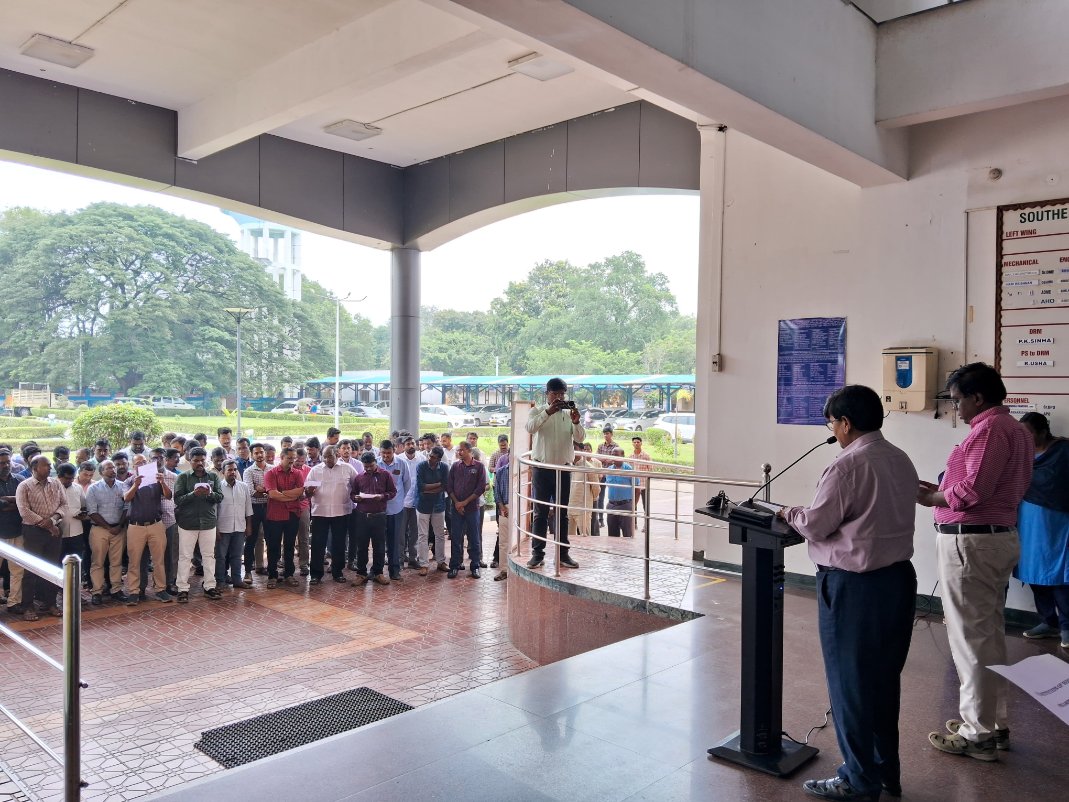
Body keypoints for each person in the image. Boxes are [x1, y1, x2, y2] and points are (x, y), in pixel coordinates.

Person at [779, 385, 918, 801]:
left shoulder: (847, 466)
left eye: (832, 423)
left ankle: (858, 782)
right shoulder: (900, 458)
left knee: (851, 686)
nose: (832, 430)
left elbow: (818, 525)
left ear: (845, 422)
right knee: (882, 683)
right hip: (897, 582)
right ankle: (884, 773)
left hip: (854, 589)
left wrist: (788, 512)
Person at [917, 363, 1032, 762]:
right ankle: (992, 723)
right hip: (994, 539)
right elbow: (985, 486)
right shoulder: (1015, 429)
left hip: (972, 545)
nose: (956, 409)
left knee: (971, 642)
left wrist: (932, 499)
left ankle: (977, 734)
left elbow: (974, 491)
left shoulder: (988, 430)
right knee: (988, 636)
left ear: (976, 398)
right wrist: (941, 489)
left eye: (956, 400)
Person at [1014, 412, 1069, 648]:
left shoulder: (1063, 452)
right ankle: (1048, 621)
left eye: (1029, 435)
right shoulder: (1020, 456)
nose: (1025, 440)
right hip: (1028, 524)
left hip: (1057, 524)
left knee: (1060, 576)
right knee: (1033, 572)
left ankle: (1067, 626)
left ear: (1042, 432)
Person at [525, 378, 586, 569]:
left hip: (563, 470)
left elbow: (580, 438)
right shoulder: (537, 411)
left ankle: (562, 554)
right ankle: (537, 554)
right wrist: (547, 412)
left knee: (562, 514)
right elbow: (530, 428)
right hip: (542, 469)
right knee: (540, 513)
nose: (559, 398)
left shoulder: (569, 413)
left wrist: (577, 422)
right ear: (547, 394)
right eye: (555, 394)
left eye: (562, 394)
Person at [14, 455, 67, 620]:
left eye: (50, 465)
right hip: (33, 532)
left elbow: (64, 504)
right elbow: (24, 511)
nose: (50, 467)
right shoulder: (24, 486)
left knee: (52, 568)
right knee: (31, 569)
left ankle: (50, 603)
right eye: (46, 465)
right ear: (35, 468)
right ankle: (28, 606)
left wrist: (52, 521)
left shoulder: (56, 483)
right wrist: (46, 524)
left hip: (54, 530)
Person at [173, 447, 224, 603]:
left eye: (202, 460)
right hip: (188, 523)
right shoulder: (183, 477)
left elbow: (220, 497)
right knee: (185, 557)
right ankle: (182, 588)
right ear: (190, 461)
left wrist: (209, 493)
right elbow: (177, 500)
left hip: (208, 522)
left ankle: (210, 586)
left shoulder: (213, 477)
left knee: (209, 556)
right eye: (196, 460)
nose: (200, 463)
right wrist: (193, 494)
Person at [122, 454, 173, 604]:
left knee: (159, 560)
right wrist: (136, 485)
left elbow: (169, 496)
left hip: (156, 524)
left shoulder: (156, 479)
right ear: (133, 467)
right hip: (136, 526)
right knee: (134, 561)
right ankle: (134, 592)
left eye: (144, 462)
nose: (141, 464)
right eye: (138, 463)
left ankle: (160, 589)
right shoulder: (129, 481)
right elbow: (126, 498)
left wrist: (162, 483)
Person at [306, 445, 357, 585]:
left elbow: (356, 486)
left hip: (341, 512)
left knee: (339, 544)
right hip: (320, 513)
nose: (327, 459)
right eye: (325, 456)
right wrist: (309, 491)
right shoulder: (315, 470)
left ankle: (337, 572)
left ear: (337, 454)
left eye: (330, 456)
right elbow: (307, 492)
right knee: (317, 544)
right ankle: (316, 574)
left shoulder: (347, 468)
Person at [85, 459, 128, 605]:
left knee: (116, 562)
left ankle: (116, 589)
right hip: (100, 530)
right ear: (101, 472)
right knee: (98, 562)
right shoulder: (94, 488)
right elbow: (92, 511)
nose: (113, 470)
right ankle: (97, 591)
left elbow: (127, 508)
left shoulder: (123, 486)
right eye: (109, 468)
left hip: (119, 529)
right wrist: (109, 528)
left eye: (113, 467)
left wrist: (119, 525)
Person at [350, 451, 396, 586]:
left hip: (379, 516)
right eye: (366, 467)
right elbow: (353, 493)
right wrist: (355, 498)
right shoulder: (359, 477)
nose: (368, 469)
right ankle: (361, 573)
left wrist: (382, 496)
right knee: (362, 546)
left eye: (371, 466)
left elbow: (393, 492)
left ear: (376, 462)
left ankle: (378, 573)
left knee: (379, 545)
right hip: (363, 516)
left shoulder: (385, 475)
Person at [263, 446, 305, 588]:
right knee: (273, 546)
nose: (292, 461)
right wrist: (291, 496)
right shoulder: (271, 473)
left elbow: (300, 492)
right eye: (289, 458)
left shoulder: (298, 473)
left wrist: (283, 494)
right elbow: (273, 494)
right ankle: (272, 575)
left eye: (294, 458)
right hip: (275, 515)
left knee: (290, 546)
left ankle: (289, 574)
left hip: (293, 515)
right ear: (281, 458)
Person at [447, 441, 486, 579]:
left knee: (474, 538)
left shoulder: (479, 467)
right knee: (456, 537)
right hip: (456, 508)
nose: (459, 452)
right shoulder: (455, 466)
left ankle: (475, 566)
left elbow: (480, 488)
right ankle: (455, 565)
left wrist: (465, 502)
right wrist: (457, 503)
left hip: (472, 508)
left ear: (469, 451)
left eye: (462, 450)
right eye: (458, 450)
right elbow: (449, 486)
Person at [216, 460, 253, 591]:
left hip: (239, 527)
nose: (233, 472)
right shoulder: (218, 487)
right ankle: (220, 581)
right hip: (223, 528)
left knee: (237, 556)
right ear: (223, 472)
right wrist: (216, 529)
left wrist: (248, 526)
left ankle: (237, 580)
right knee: (220, 556)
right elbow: (214, 511)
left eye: (235, 470)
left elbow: (248, 508)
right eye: (230, 470)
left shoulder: (243, 487)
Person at [378, 440, 412, 582]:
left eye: (389, 453)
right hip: (378, 509)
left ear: (394, 451)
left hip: (396, 508)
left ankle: (395, 571)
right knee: (379, 541)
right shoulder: (377, 464)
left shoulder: (401, 463)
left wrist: (399, 499)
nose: (386, 456)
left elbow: (407, 483)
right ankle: (378, 571)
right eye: (383, 453)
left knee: (394, 541)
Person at [0, 449, 27, 616]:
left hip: (18, 532)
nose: (6, 465)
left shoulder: (20, 480)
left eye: (7, 462)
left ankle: (14, 602)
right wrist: (15, 502)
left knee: (17, 570)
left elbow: (25, 503)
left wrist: (6, 502)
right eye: (2, 463)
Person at [416, 446, 449, 574]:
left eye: (433, 457)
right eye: (430, 455)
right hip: (423, 505)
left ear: (439, 459)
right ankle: (424, 564)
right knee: (423, 535)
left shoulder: (445, 467)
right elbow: (420, 487)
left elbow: (445, 485)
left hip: (438, 505)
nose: (430, 458)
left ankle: (441, 561)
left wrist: (429, 488)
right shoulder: (421, 466)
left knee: (440, 534)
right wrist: (438, 485)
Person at [243, 443, 270, 579]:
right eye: (256, 453)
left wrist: (263, 490)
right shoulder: (248, 471)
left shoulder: (272, 469)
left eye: (261, 452)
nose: (259, 455)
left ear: (265, 453)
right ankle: (248, 571)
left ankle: (272, 569)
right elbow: (251, 492)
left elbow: (274, 490)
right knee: (251, 540)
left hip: (270, 508)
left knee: (271, 539)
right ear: (252, 455)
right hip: (253, 509)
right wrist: (265, 491)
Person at [567, 443, 601, 538]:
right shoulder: (567, 465)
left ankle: (586, 554)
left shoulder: (589, 467)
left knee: (585, 536)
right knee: (568, 538)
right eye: (571, 448)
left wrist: (589, 502)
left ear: (581, 451)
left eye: (575, 448)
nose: (572, 451)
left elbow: (596, 489)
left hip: (583, 508)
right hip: (569, 507)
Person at [603, 447, 638, 538]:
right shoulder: (609, 469)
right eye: (612, 455)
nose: (614, 457)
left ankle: (626, 552)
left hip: (625, 505)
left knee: (627, 535)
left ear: (623, 456)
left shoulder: (629, 470)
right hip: (611, 505)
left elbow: (637, 489)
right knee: (612, 535)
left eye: (616, 455)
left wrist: (633, 505)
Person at [493, 450, 510, 582]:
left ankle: (517, 571)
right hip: (505, 508)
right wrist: (502, 507)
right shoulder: (500, 472)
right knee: (503, 541)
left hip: (520, 510)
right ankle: (504, 570)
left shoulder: (526, 472)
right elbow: (496, 492)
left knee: (520, 542)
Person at [630, 435, 652, 530]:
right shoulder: (630, 456)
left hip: (644, 485)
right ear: (632, 444)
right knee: (633, 505)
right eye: (634, 442)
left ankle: (646, 525)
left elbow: (650, 470)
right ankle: (634, 524)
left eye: (638, 442)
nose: (636, 444)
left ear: (641, 443)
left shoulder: (646, 456)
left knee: (645, 505)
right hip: (634, 485)